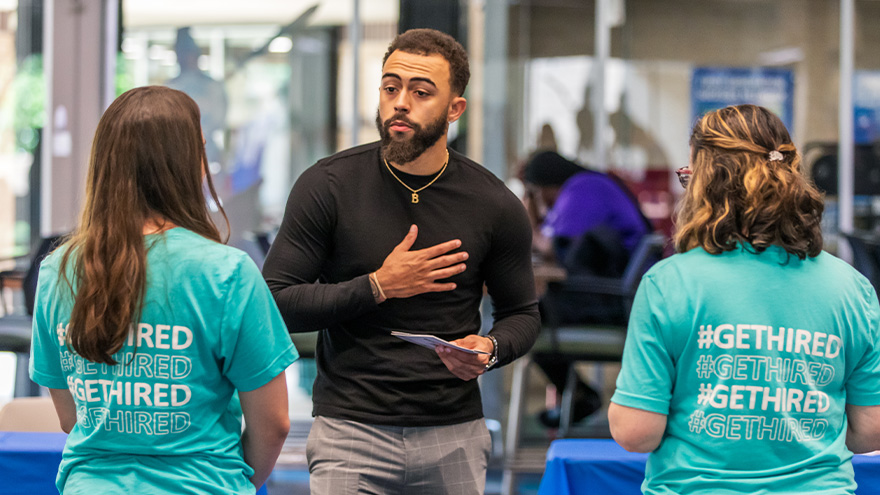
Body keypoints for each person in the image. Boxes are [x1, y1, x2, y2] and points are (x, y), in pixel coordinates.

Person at [262, 28, 540, 495]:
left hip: (453, 432)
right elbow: (276, 299)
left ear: (455, 109)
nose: (400, 103)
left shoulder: (493, 203)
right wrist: (377, 285)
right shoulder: (328, 185)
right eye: (390, 88)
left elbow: (523, 315)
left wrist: (490, 351)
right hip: (349, 431)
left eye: (420, 92)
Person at [29, 86, 298, 494]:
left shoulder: (58, 271)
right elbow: (274, 424)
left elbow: (72, 418)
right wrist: (234, 482)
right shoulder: (228, 273)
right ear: (188, 161)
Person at [609, 104, 880, 493]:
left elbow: (637, 433)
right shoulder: (851, 287)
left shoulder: (669, 284)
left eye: (688, 177)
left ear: (705, 186)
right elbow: (871, 430)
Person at [522, 150, 652, 428]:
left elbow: (553, 248)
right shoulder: (593, 184)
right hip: (620, 298)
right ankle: (578, 395)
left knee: (525, 317)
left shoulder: (583, 187)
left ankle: (580, 396)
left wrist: (526, 218)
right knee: (530, 314)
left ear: (543, 186)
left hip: (616, 301)